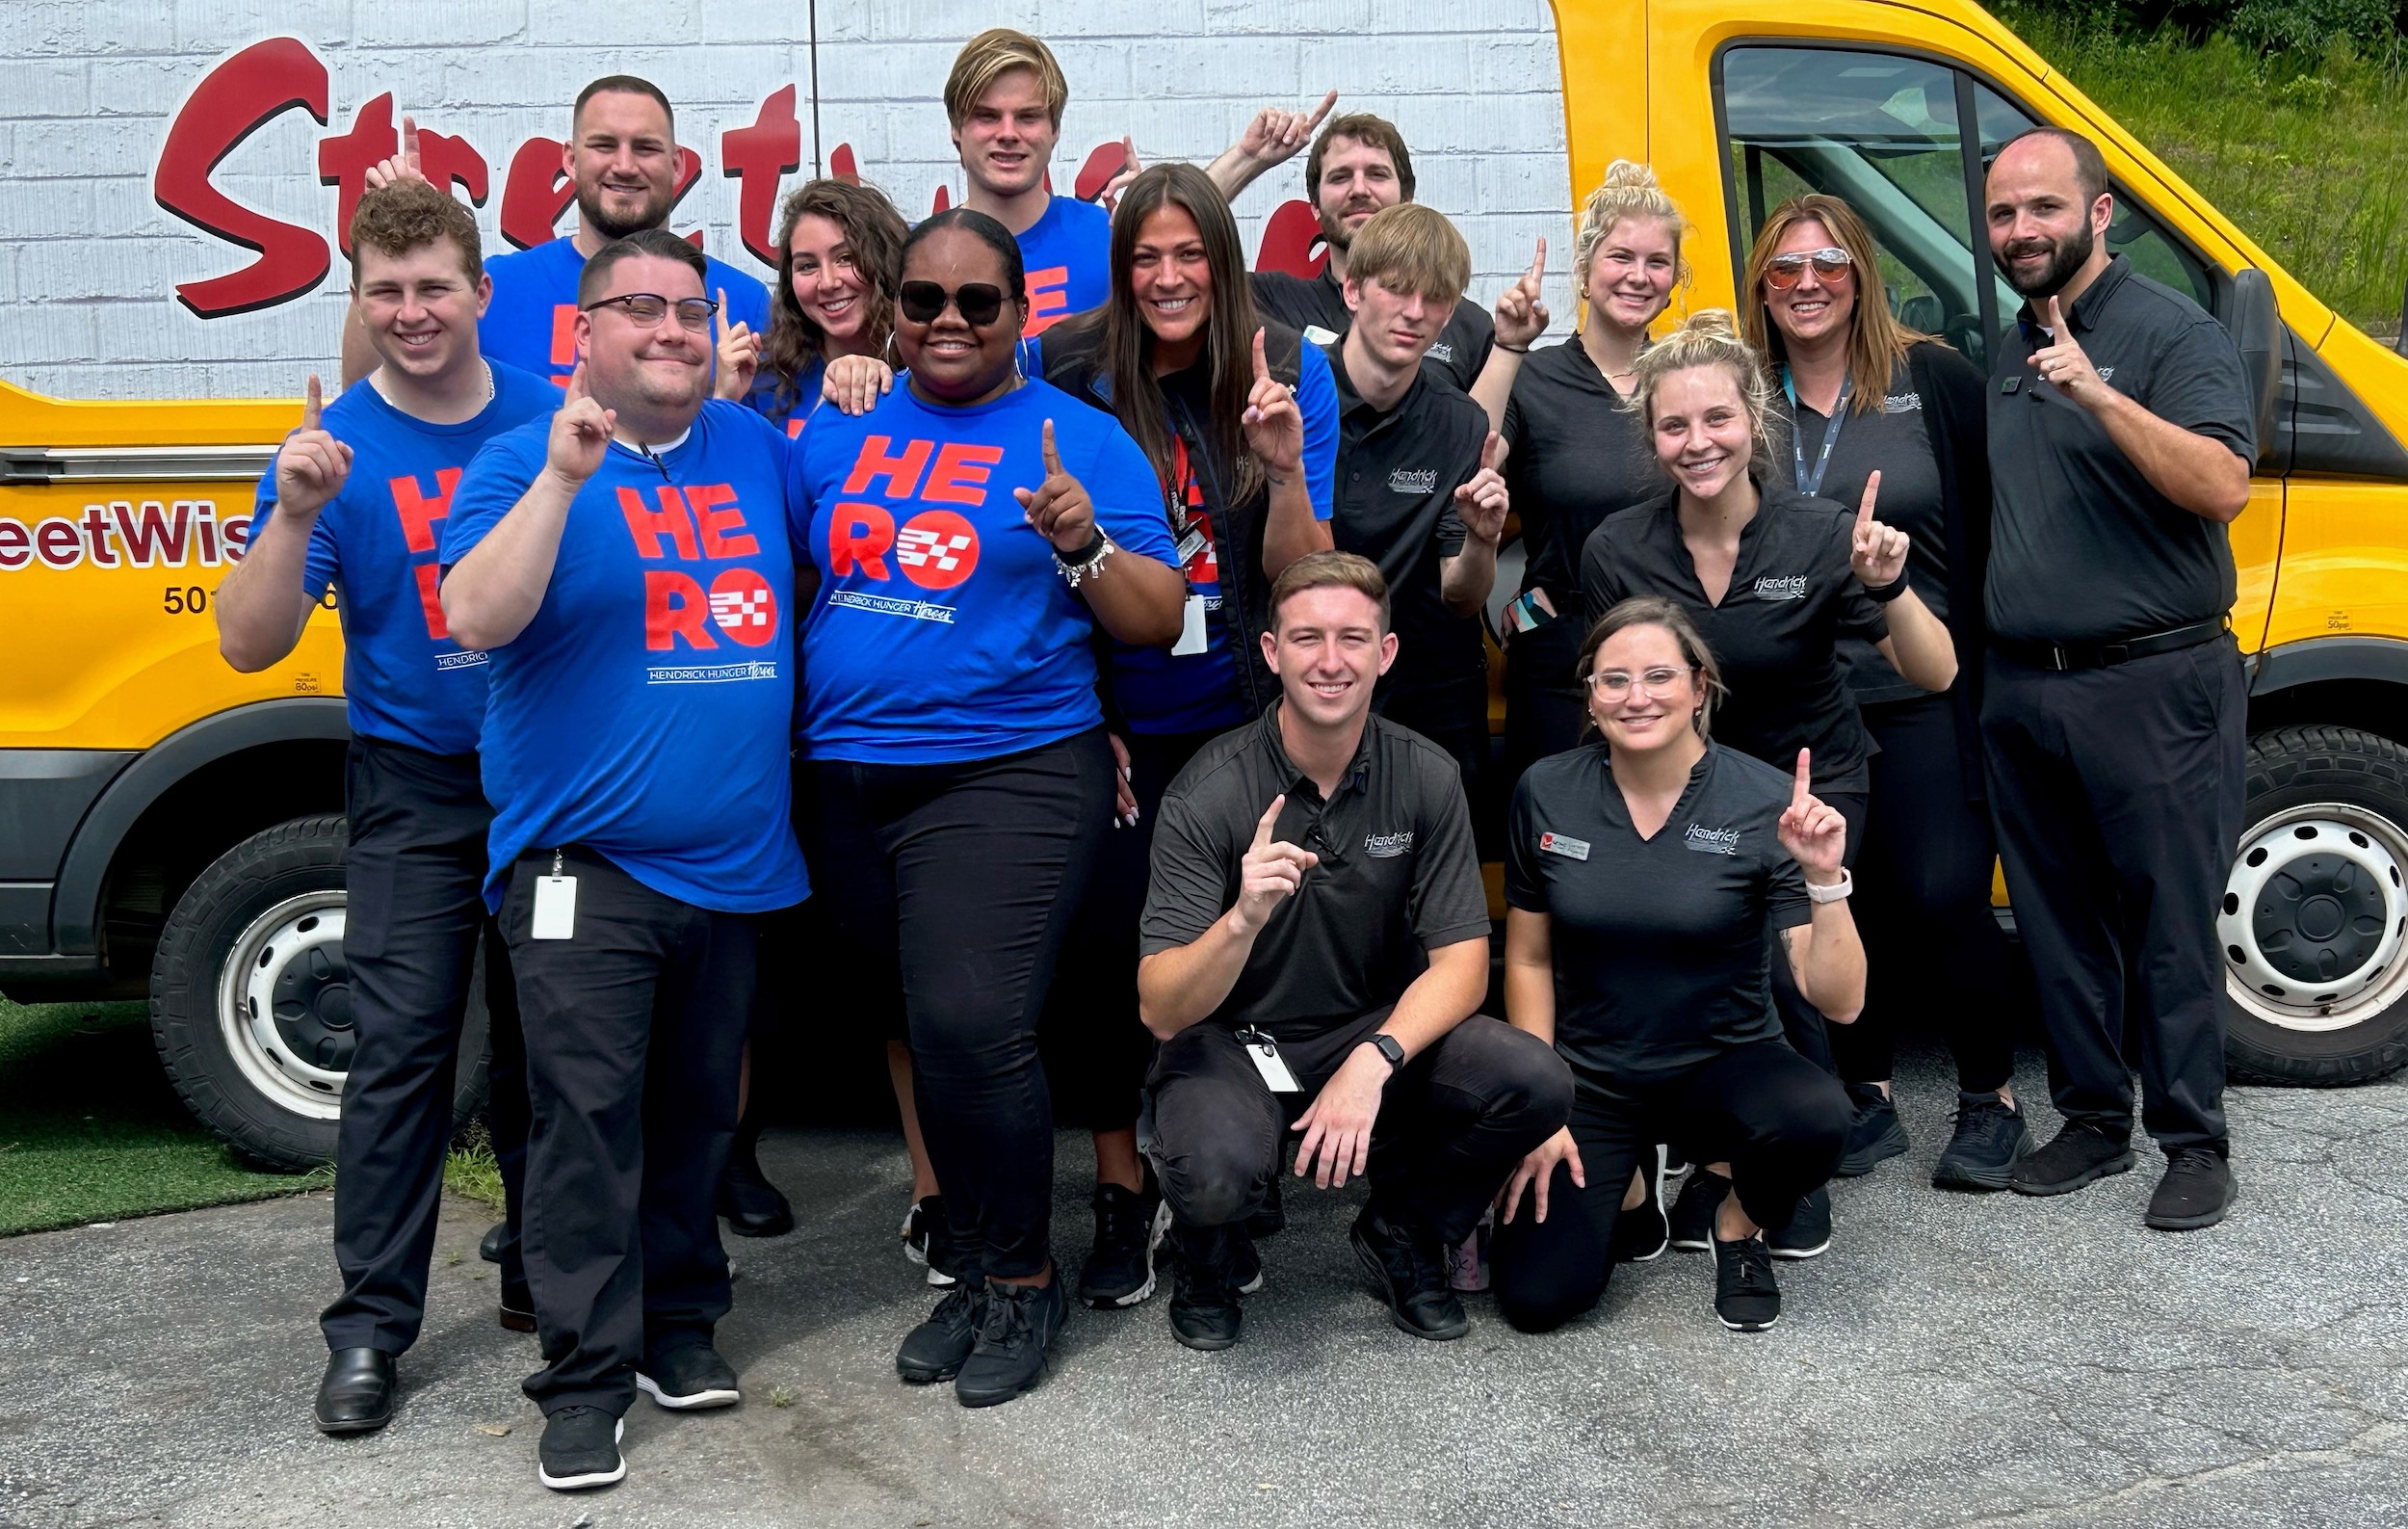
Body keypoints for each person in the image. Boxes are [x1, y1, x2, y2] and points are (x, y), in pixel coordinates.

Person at [790, 207, 1185, 1407]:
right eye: (923, 300)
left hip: (1007, 769)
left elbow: (1157, 617)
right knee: (922, 1026)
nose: (948, 321)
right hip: (846, 775)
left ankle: (1020, 1278)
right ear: (893, 310)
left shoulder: (1082, 438)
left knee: (973, 1025)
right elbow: (795, 573)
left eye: (977, 301)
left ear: (1020, 312)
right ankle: (968, 1265)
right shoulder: (835, 427)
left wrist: (1082, 543)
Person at [438, 227, 810, 1490]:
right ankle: (584, 1378)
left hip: (736, 863)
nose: (669, 330)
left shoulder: (756, 449)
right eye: (639, 309)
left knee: (698, 1114)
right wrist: (560, 479)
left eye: (689, 311)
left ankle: (678, 1323)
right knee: (588, 1125)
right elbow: (475, 615)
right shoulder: (519, 459)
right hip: (582, 866)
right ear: (585, 332)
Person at [215, 180, 557, 1437]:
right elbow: (247, 642)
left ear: (480, 293)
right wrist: (296, 511)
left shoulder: (550, 420)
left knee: (549, 1048)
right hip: (414, 785)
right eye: (387, 291)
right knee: (403, 1053)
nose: (412, 312)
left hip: (550, 782)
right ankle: (368, 1326)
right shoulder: (334, 450)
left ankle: (543, 1271)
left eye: (434, 287)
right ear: (359, 301)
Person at [1012, 162, 1339, 1309]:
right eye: (1144, 257)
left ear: (1222, 260)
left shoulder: (1285, 365)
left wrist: (1284, 468)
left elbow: (1302, 577)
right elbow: (1020, 529)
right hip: (1111, 720)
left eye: (1188, 253)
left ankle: (1230, 1170)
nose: (1167, 277)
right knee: (1112, 958)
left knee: (1253, 949)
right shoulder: (1063, 367)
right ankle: (1121, 1188)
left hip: (1243, 718)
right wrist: (1087, 713)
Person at [1579, 310, 1955, 1257]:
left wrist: (1890, 586)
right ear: (1651, 438)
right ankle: (1711, 1155)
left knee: (1788, 974)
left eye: (1716, 418)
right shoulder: (1616, 550)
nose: (1697, 441)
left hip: (1807, 786)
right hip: (1684, 790)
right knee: (1698, 964)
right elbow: (1613, 691)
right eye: (1674, 425)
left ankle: (1781, 1172)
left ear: (1753, 417)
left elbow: (1936, 670)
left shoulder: (1822, 534)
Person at [1136, 550, 1570, 1352]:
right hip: (1237, 1040)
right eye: (1307, 638)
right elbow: (1161, 1007)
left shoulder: (1426, 774)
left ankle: (1401, 1229)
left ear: (1386, 652)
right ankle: (1207, 1252)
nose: (1330, 661)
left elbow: (1464, 962)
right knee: (1214, 1169)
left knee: (1535, 1080)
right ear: (1272, 652)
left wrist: (1374, 1061)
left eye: (1352, 638)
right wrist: (1241, 919)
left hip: (1367, 1026)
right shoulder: (1209, 789)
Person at [1977, 127, 2252, 1230]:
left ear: (2098, 213)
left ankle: (2193, 1143)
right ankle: (2093, 1121)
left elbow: (2222, 483)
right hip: (2024, 690)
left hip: (2152, 684)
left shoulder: (2170, 332)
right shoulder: (2006, 346)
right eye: (2002, 214)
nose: (2020, 230)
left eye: (2042, 207)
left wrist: (2098, 394)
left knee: (2169, 925)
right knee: (2056, 924)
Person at [1739, 193, 2028, 1191]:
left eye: (1828, 264)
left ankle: (1990, 1097)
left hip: (1923, 684)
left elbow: (1998, 518)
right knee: (1834, 898)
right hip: (1803, 704)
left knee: (1944, 894)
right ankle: (1866, 1094)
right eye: (1785, 268)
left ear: (1861, 275)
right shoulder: (1748, 398)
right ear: (1761, 286)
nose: (1807, 283)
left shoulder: (1931, 378)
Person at [1487, 597, 1859, 1334]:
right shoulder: (1546, 790)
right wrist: (1541, 1100)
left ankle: (1738, 1222)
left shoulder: (1763, 800)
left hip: (1722, 1064)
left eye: (1659, 675)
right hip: (1593, 1076)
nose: (1637, 696)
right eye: (1614, 679)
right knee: (1537, 1299)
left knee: (1817, 1116)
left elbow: (1840, 1000)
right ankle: (1631, 1190)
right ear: (1591, 696)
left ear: (1699, 687)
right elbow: (1528, 955)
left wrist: (1824, 878)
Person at [1472, 160, 1690, 782]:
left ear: (1674, 279)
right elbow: (1467, 460)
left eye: (1657, 262)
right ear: (1586, 271)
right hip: (1559, 658)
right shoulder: (1534, 378)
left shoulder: (1686, 381)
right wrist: (1508, 346)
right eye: (1621, 257)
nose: (1639, 276)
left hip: (1673, 650)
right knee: (1557, 830)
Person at [343, 79, 772, 389]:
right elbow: (367, 388)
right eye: (604, 145)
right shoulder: (496, 287)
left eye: (645, 148)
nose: (624, 166)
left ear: (677, 164)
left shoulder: (741, 301)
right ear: (570, 159)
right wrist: (391, 244)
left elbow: (768, 454)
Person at [1323, 203, 1510, 803]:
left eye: (1435, 298)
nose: (1414, 312)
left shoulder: (1461, 422)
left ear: (1450, 313)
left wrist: (1482, 539)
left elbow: (1462, 595)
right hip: (1314, 680)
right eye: (1397, 289)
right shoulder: (1297, 395)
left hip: (1431, 692)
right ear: (1353, 290)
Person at [1212, 108, 1499, 393]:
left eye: (1377, 174)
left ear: (1406, 198)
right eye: (1340, 177)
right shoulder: (1272, 303)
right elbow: (1184, 241)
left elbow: (1484, 423)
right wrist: (1248, 158)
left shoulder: (1468, 326)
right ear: (1315, 205)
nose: (1359, 189)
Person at [945, 29, 1113, 337]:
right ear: (956, 128)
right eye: (988, 116)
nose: (1008, 134)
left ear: (1054, 129)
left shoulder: (1109, 236)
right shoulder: (918, 254)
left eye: (1028, 117)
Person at [717, 178, 909, 437]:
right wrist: (724, 401)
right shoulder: (765, 382)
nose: (827, 283)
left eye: (846, 258)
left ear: (885, 261)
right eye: (807, 266)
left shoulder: (924, 373)